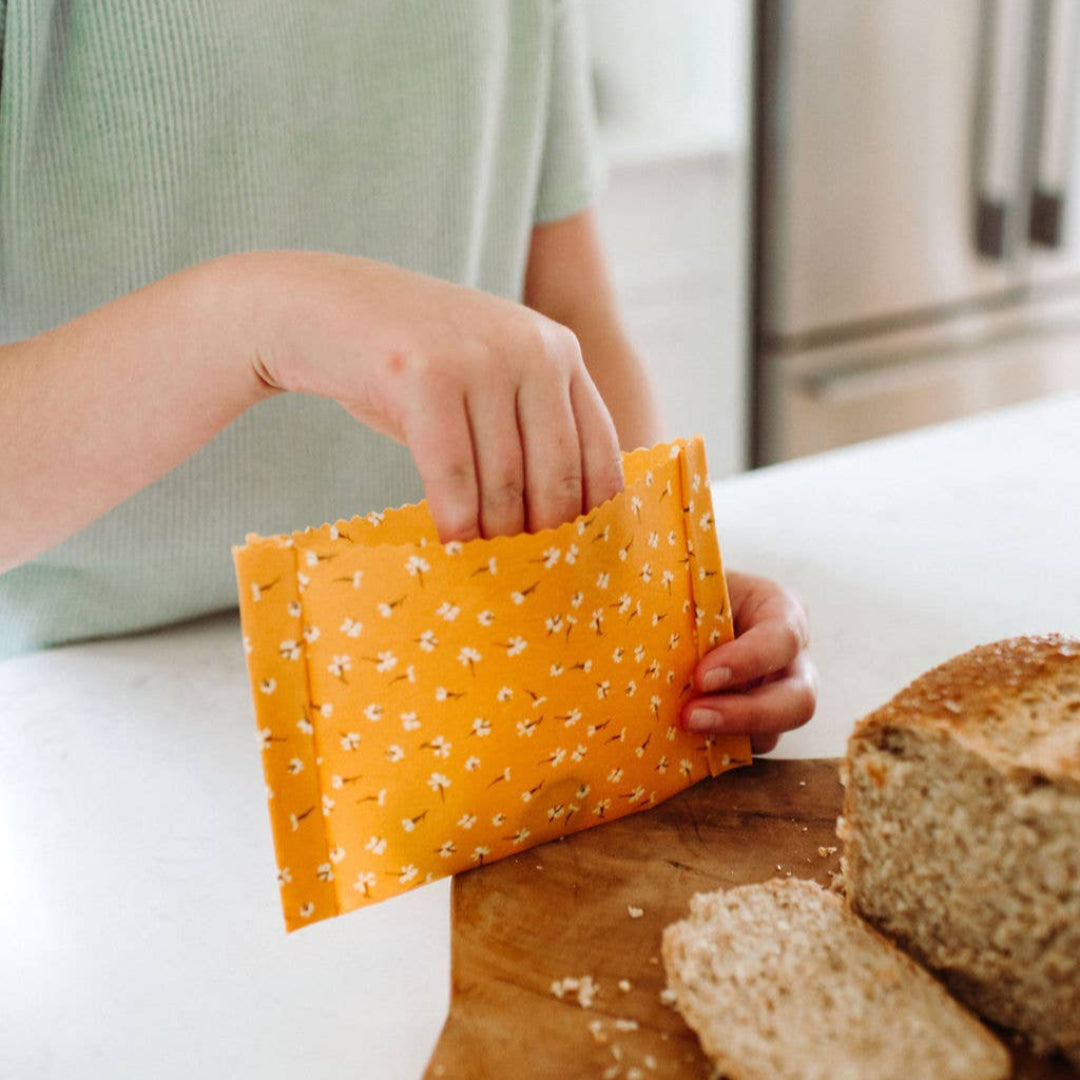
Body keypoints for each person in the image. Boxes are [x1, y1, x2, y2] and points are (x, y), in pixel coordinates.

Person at [0, 1, 815, 753]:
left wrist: (653, 580)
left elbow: (568, 313)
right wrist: (256, 319)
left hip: (469, 656)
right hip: (67, 717)